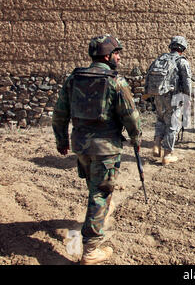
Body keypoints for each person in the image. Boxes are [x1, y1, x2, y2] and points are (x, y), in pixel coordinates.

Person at [52, 34, 142, 265]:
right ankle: (91, 249)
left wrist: (61, 141)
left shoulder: (74, 78)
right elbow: (131, 116)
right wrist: (136, 138)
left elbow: (59, 114)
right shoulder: (115, 81)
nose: (119, 57)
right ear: (107, 55)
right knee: (100, 194)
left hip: (81, 145)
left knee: (95, 187)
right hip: (105, 148)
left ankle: (100, 212)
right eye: (117, 53)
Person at [144, 36, 192, 165]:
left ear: (171, 47)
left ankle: (157, 144)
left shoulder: (160, 59)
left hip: (158, 95)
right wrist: (188, 98)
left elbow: (148, 76)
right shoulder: (182, 62)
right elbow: (187, 83)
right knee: (172, 124)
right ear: (183, 48)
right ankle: (167, 154)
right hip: (173, 97)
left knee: (160, 120)